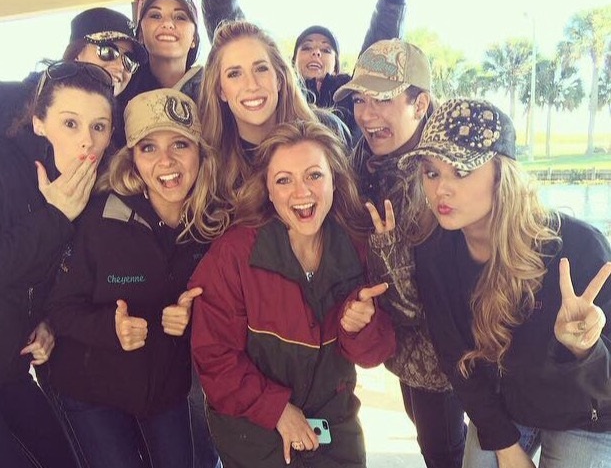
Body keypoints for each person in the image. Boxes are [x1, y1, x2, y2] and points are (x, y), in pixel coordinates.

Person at [406, 98, 611, 468]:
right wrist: (505, 445)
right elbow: (455, 359)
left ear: (502, 174)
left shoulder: (579, 247)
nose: (441, 190)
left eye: (461, 171)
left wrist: (584, 350)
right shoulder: (434, 250)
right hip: (508, 405)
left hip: (584, 412)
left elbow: (606, 382)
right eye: (431, 173)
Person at [189, 120, 396, 468]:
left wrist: (359, 328)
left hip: (334, 431)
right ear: (268, 191)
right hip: (254, 434)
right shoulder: (234, 254)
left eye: (314, 175)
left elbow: (377, 353)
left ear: (334, 180)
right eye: (284, 180)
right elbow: (214, 357)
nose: (301, 192)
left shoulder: (359, 248)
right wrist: (278, 410)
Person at [45, 89, 228, 468]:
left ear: (200, 153)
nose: (166, 160)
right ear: (132, 160)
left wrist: (193, 318)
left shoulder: (213, 225)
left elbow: (230, 312)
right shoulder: (100, 219)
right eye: (148, 148)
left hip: (164, 391)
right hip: (92, 392)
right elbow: (59, 309)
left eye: (180, 144)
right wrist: (110, 329)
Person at [332, 38, 467, 467]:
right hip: (402, 354)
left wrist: (387, 249)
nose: (366, 114)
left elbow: (423, 304)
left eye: (383, 99)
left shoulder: (442, 180)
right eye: (360, 99)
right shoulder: (364, 161)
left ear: (420, 103)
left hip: (442, 360)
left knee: (443, 449)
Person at [176, 0, 413, 136]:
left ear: (336, 65)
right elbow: (240, 44)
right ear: (283, 71)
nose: (316, 53)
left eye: (326, 50)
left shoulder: (351, 100)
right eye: (307, 47)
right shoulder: (271, 101)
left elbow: (377, 50)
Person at [0, 60, 115, 468]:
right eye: (70, 123)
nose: (87, 140)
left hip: (12, 366)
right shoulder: (9, 168)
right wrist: (55, 217)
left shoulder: (84, 185)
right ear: (39, 123)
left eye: (99, 126)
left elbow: (57, 277)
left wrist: (47, 322)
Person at [198, 19, 320, 209]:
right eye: (234, 74)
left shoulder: (322, 138)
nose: (252, 85)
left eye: (261, 69)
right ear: (221, 90)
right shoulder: (209, 166)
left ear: (279, 79)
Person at [0, 7, 146, 136]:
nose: (120, 66)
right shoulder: (13, 100)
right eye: (109, 51)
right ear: (76, 53)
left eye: (129, 60)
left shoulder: (127, 126)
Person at [114, 0, 203, 148]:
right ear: (140, 34)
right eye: (155, 15)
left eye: (180, 17)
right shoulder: (122, 89)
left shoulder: (212, 90)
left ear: (194, 39)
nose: (168, 23)